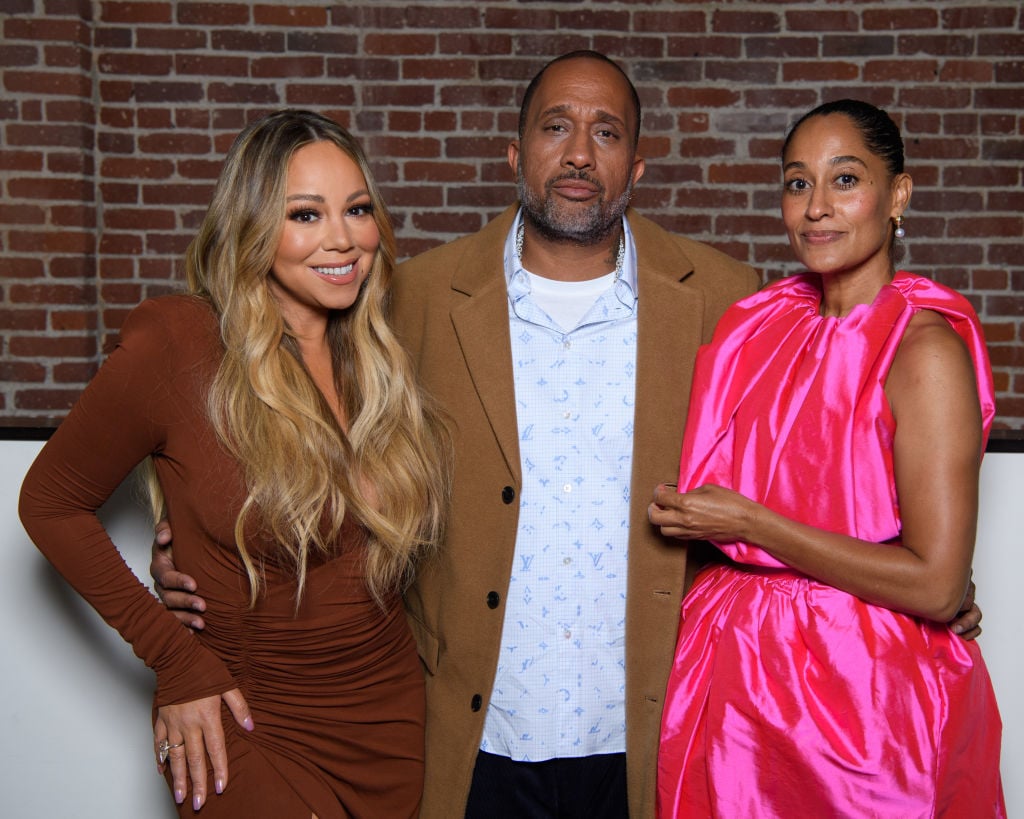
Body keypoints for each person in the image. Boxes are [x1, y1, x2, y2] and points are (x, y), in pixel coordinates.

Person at [152, 59, 984, 818]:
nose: (580, 153)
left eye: (607, 133)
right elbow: (286, 425)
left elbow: (804, 469)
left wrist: (917, 592)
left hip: (653, 732)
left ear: (639, 165)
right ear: (514, 153)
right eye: (556, 127)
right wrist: (192, 541)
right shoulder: (413, 297)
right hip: (473, 725)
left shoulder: (730, 302)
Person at [20, 109, 450, 818]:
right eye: (305, 215)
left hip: (388, 723)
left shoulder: (376, 357)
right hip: (247, 722)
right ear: (251, 227)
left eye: (358, 209)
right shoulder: (181, 344)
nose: (343, 238)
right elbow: (49, 503)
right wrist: (174, 657)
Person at [651, 99, 1005, 817]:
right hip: (734, 687)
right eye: (796, 183)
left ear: (897, 195)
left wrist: (753, 524)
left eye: (845, 180)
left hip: (863, 695)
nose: (816, 208)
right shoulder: (761, 323)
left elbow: (936, 588)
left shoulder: (923, 350)